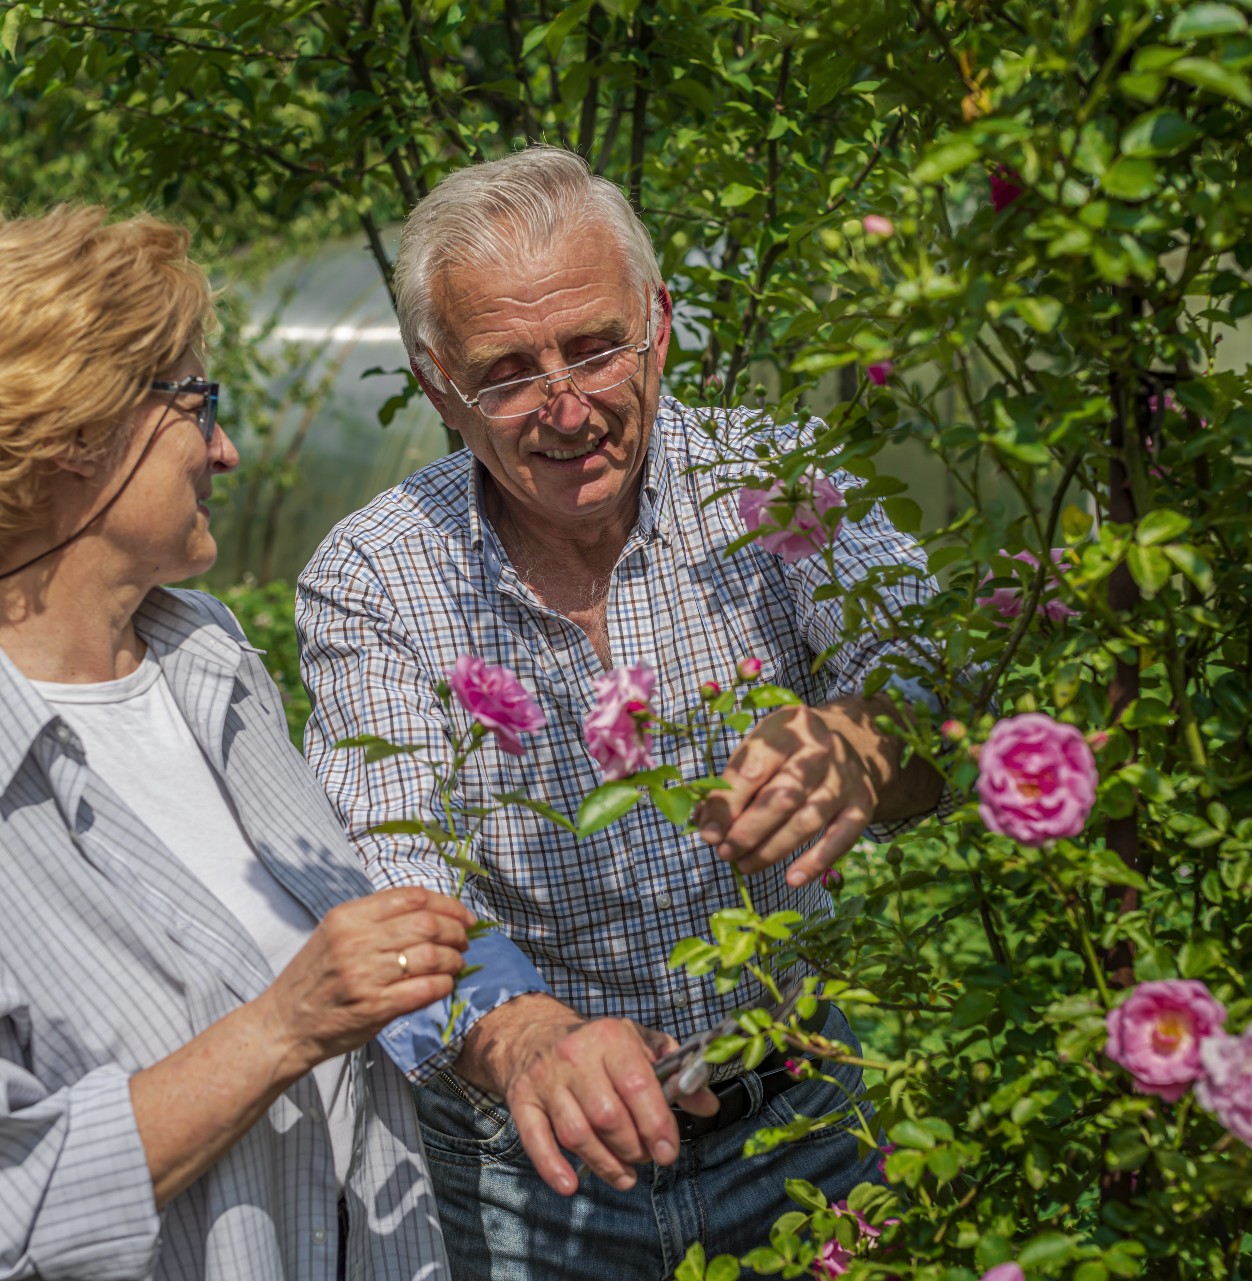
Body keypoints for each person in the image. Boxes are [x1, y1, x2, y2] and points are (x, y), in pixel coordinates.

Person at [0, 205, 470, 1281]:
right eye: (198, 403)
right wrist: (283, 1025)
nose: (228, 448)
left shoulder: (206, 659)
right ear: (74, 431)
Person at [297, 146, 945, 1279]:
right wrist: (522, 1033)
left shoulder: (773, 481)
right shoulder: (376, 575)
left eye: (597, 348)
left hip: (801, 1121)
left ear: (660, 323)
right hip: (534, 1169)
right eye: (508, 370)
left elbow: (933, 668)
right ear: (438, 378)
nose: (568, 405)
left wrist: (868, 734)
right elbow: (389, 868)